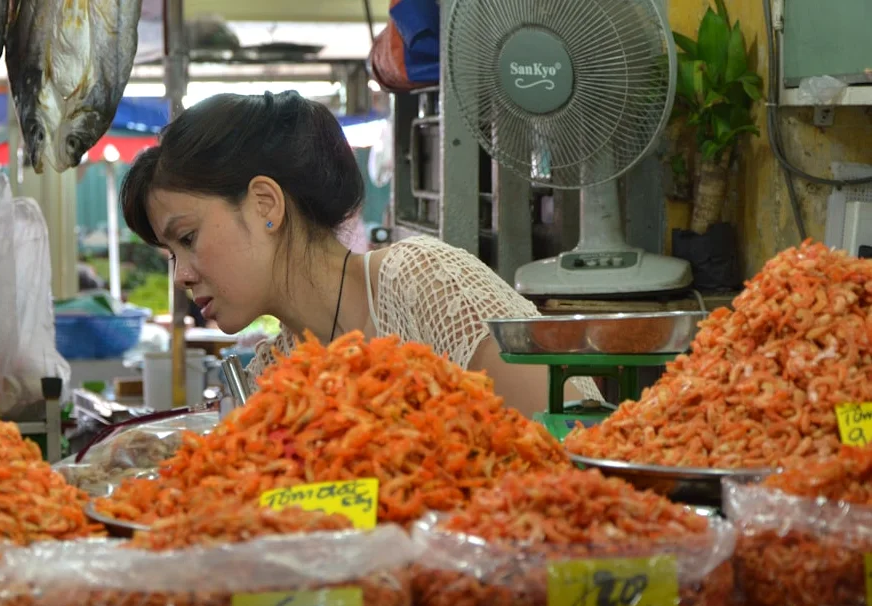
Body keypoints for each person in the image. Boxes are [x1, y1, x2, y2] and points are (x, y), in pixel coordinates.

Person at [119, 91, 600, 416]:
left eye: (187, 238)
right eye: (170, 254)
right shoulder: (271, 378)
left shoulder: (424, 283)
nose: (181, 275)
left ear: (266, 204)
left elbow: (578, 437)